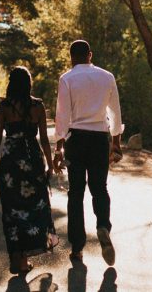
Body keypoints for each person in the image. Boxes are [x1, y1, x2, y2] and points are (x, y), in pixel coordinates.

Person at [53, 39, 123, 266]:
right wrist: (116, 142)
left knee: (76, 193)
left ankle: (77, 247)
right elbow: (115, 112)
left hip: (76, 139)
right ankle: (103, 225)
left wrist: (58, 146)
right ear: (90, 55)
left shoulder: (67, 79)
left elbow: (62, 116)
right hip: (100, 139)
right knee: (99, 188)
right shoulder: (107, 77)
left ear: (71, 57)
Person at [0, 66, 59, 275]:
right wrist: (50, 165)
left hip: (10, 162)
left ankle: (15, 257)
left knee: (11, 209)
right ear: (28, 83)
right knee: (33, 206)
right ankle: (24, 260)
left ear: (11, 83)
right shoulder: (37, 106)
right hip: (32, 160)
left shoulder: (4, 106)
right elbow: (44, 139)